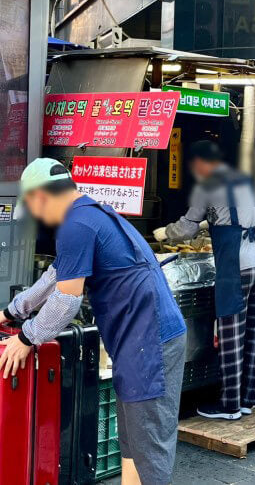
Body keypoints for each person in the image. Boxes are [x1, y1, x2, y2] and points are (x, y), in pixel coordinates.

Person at [0, 158, 186, 484]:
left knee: (149, 453)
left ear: (41, 197)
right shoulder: (89, 215)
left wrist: (26, 338)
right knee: (133, 446)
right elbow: (54, 278)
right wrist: (10, 313)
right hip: (141, 342)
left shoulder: (77, 225)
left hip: (151, 342)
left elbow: (66, 302)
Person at [154, 140, 255, 420]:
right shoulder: (242, 178)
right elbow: (236, 215)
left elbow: (186, 228)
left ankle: (229, 405)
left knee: (231, 335)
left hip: (236, 266)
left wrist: (163, 234)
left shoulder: (207, 185)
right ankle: (248, 400)